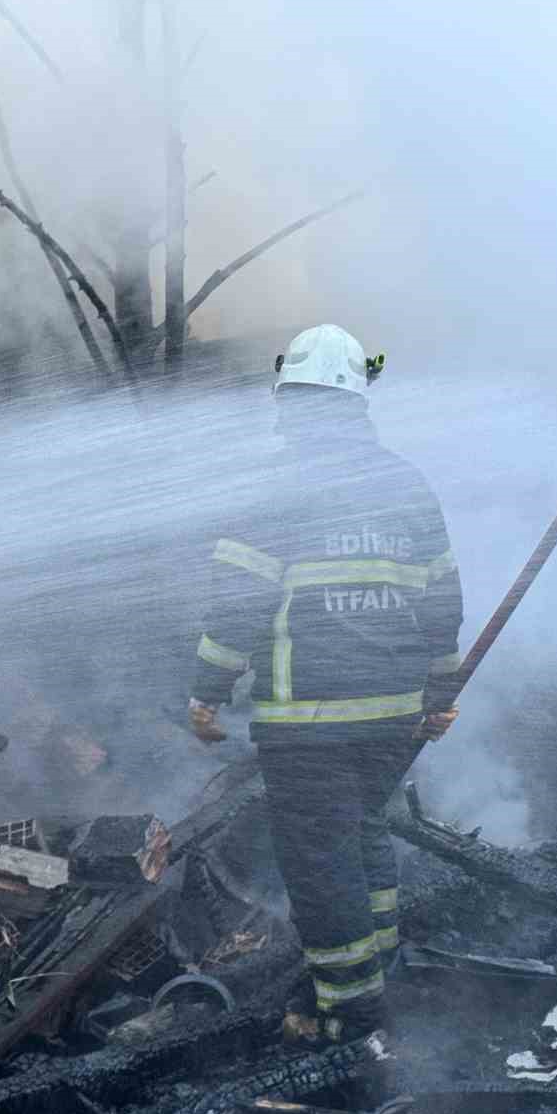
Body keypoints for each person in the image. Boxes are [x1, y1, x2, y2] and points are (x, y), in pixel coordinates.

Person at [187, 323, 463, 1044]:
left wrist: (206, 691)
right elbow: (443, 599)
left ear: (298, 404)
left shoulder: (277, 489)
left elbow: (239, 603)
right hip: (392, 719)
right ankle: (380, 969)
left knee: (321, 865)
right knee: (365, 835)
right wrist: (439, 694)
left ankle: (351, 1016)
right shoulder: (406, 484)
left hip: (308, 724)